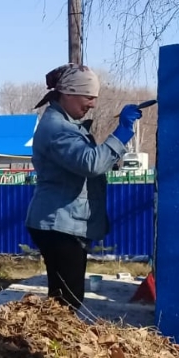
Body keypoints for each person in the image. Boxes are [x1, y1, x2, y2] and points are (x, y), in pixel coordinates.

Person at [25, 63, 143, 310]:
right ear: (68, 93)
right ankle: (51, 345)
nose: (92, 104)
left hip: (62, 221)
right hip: (59, 224)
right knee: (67, 300)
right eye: (88, 97)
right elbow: (90, 163)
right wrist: (122, 133)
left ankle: (51, 343)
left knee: (64, 298)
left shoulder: (63, 125)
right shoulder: (58, 129)